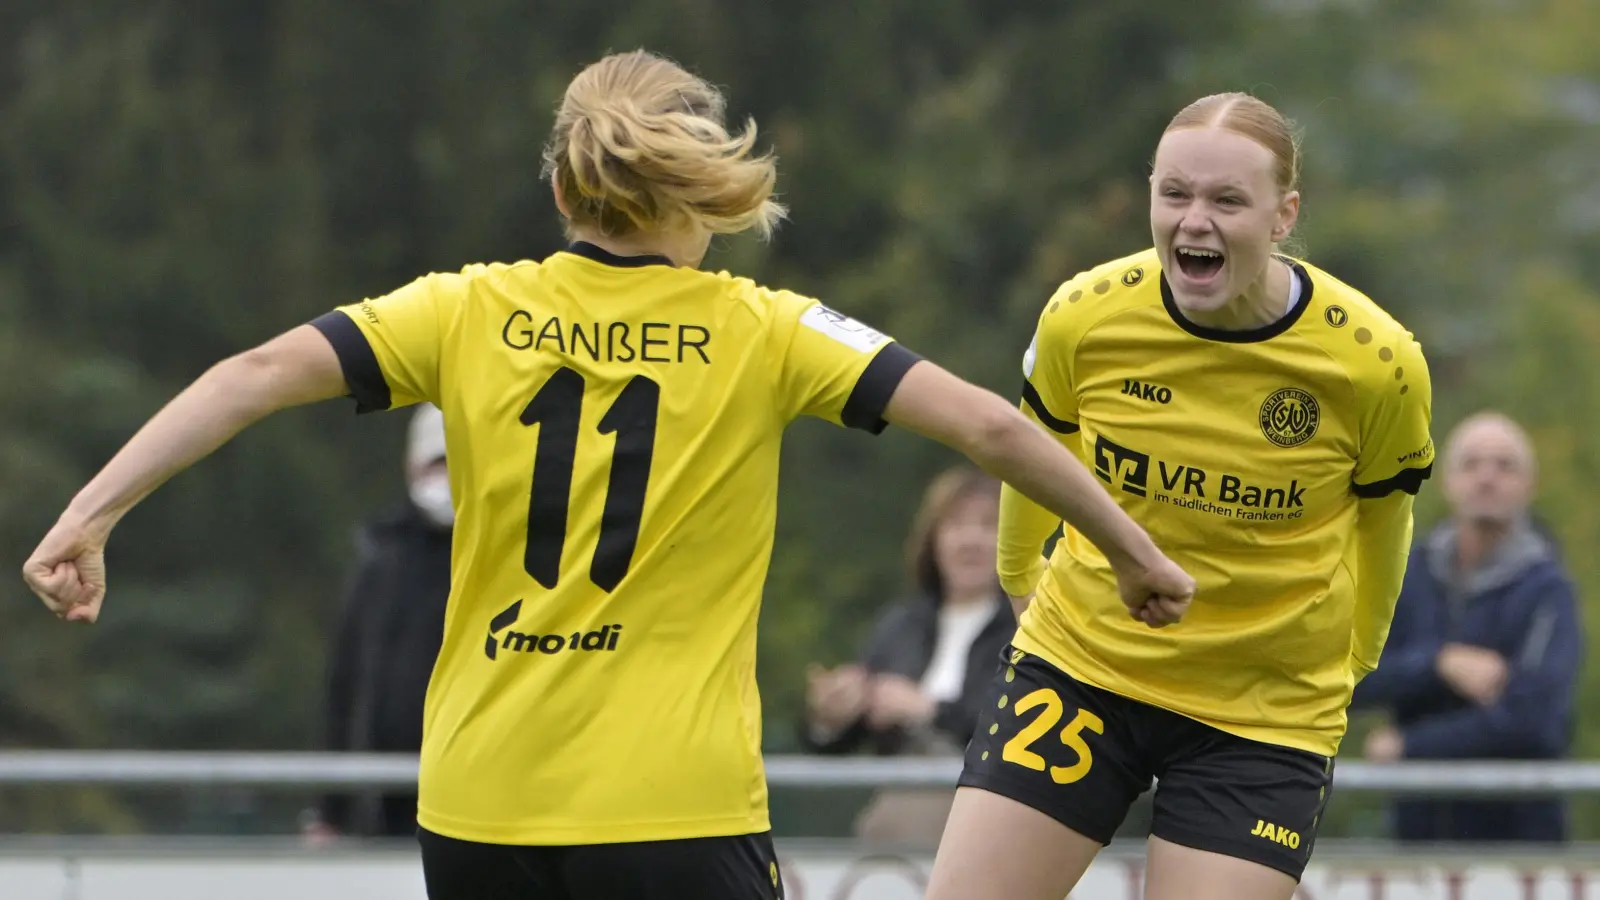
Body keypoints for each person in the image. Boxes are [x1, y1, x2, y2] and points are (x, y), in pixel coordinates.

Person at [21, 50, 1193, 900]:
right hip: (673, 807)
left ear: (562, 191)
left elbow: (251, 372)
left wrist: (89, 516)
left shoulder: (467, 309)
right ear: (700, 191)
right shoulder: (762, 329)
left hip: (479, 802)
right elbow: (991, 426)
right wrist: (1134, 552)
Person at [924, 92, 1436, 900]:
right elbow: (1032, 455)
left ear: (1283, 214)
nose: (1195, 220)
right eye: (1175, 194)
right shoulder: (1085, 316)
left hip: (1262, 715)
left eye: (1228, 200)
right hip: (1084, 669)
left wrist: (1352, 666)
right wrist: (1020, 580)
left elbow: (1384, 528)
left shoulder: (1375, 361)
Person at [1353, 411, 1581, 843]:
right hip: (1416, 844)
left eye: (1504, 465)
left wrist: (1412, 746)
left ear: (1530, 485)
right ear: (1447, 480)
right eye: (1471, 463)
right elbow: (1354, 677)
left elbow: (1536, 722)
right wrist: (1439, 663)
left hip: (1520, 851)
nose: (1487, 477)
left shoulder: (1550, 590)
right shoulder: (1406, 574)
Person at [802, 466, 1015, 847]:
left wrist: (926, 709)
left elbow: (1018, 725)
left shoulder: (1028, 627)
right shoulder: (899, 625)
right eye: (956, 526)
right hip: (899, 803)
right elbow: (834, 746)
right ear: (932, 541)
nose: (972, 540)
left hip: (993, 806)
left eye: (988, 525)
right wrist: (833, 714)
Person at [302, 403, 456, 841]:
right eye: (437, 465)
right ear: (412, 467)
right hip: (384, 802)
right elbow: (346, 687)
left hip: (475, 792)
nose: (445, 480)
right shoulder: (381, 560)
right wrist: (328, 810)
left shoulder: (507, 559)